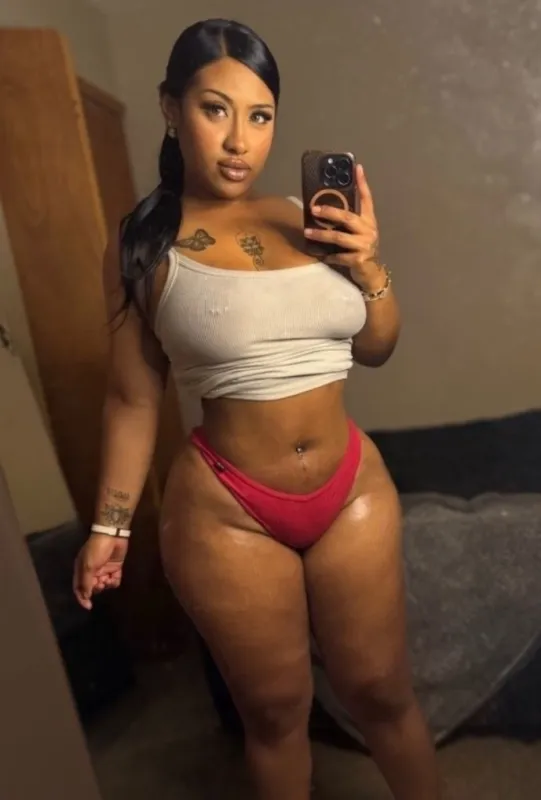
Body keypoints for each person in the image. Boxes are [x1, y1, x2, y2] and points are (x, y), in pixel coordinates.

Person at [73, 18, 440, 800]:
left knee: (382, 691)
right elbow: (133, 395)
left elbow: (376, 346)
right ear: (170, 108)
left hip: (350, 487)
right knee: (274, 714)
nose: (240, 140)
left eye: (260, 115)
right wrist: (112, 526)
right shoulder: (143, 242)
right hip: (227, 510)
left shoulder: (309, 217)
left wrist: (369, 265)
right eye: (215, 109)